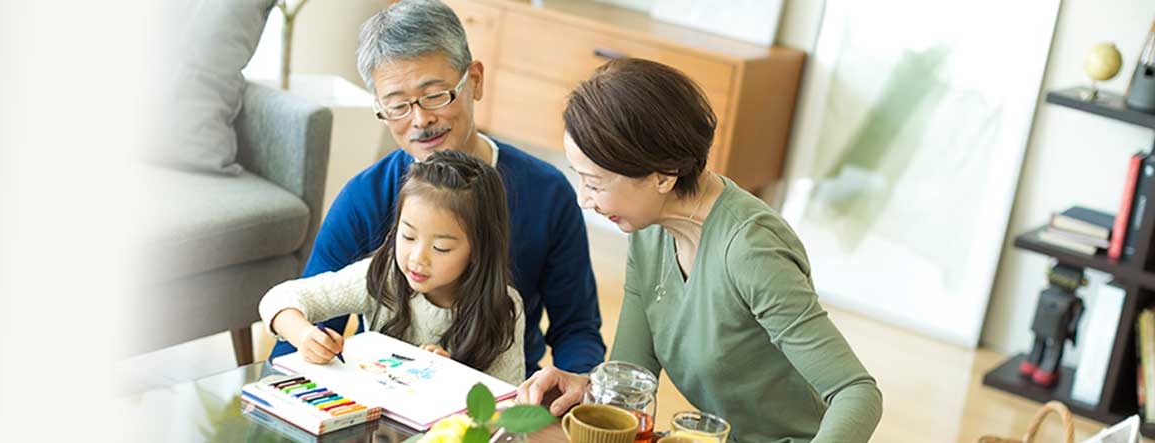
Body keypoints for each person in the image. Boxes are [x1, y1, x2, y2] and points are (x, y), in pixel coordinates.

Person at [516, 58, 882, 443]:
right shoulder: (649, 232)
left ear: (662, 176)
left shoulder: (750, 249)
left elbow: (856, 393)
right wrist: (586, 387)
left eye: (593, 183)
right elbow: (632, 372)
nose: (583, 200)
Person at [267, 0, 605, 376]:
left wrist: (568, 397)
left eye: (435, 96)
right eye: (397, 106)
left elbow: (577, 331)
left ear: (474, 80)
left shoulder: (546, 194)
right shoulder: (365, 197)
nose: (421, 119)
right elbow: (304, 332)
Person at [259, 150, 525, 385]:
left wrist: (454, 378)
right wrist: (303, 335)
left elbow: (507, 407)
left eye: (441, 247)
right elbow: (277, 299)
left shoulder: (504, 308)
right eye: (407, 236)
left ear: (479, 249)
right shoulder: (380, 276)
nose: (418, 258)